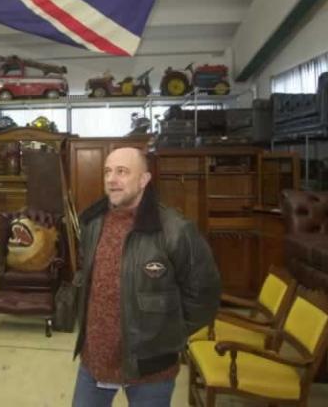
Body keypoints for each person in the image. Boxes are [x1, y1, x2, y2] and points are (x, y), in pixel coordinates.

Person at [72, 147, 221, 406]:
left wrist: (168, 335)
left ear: (144, 180)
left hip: (152, 369)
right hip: (95, 360)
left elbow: (205, 295)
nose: (111, 179)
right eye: (107, 171)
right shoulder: (92, 223)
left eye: (122, 172)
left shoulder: (175, 230)